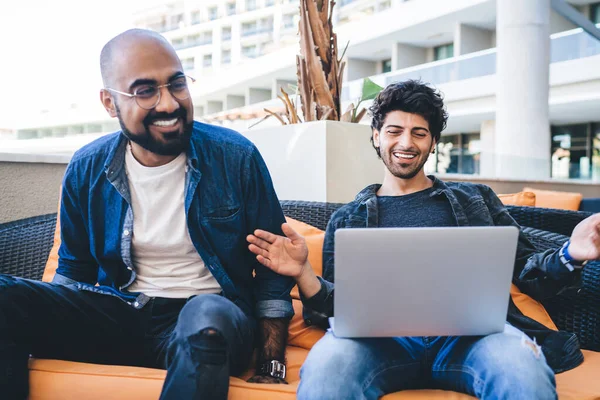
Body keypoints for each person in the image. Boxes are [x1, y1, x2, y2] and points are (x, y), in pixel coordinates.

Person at [247, 80, 600, 399]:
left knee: (524, 373)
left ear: (432, 142)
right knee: (326, 374)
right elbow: (336, 312)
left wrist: (571, 253)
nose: (406, 142)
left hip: (475, 340)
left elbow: (528, 271)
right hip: (378, 345)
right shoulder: (348, 219)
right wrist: (303, 272)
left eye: (419, 133)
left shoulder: (476, 200)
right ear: (375, 135)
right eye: (394, 130)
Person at [0, 29, 294, 400]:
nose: (169, 103)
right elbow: (74, 273)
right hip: (122, 315)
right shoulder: (86, 168)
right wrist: (51, 323)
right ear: (110, 103)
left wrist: (272, 366)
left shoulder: (236, 157)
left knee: (206, 317)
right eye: (145, 91)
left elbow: (271, 274)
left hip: (207, 320)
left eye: (177, 84)